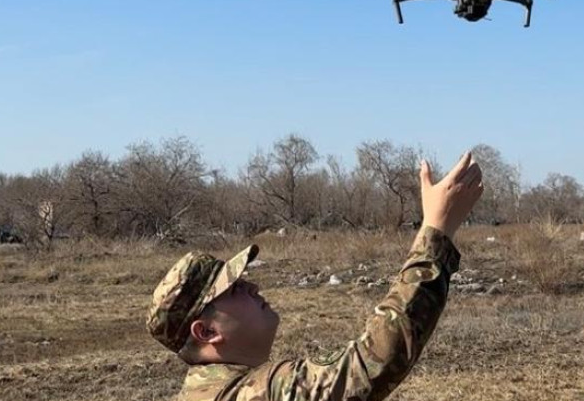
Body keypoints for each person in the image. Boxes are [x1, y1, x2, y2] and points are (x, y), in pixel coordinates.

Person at [147, 151, 484, 401]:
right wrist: (436, 231)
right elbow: (368, 366)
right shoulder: (253, 394)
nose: (252, 285)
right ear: (206, 331)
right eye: (232, 289)